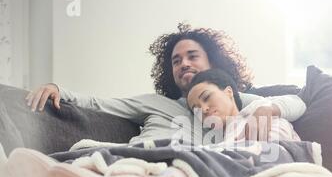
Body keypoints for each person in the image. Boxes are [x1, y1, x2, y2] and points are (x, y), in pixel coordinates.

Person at [25, 23, 305, 143]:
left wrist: (268, 109)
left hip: (172, 171)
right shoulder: (156, 103)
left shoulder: (239, 103)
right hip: (136, 155)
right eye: (176, 60)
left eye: (192, 56)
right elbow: (101, 104)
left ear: (213, 63)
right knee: (84, 154)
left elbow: (298, 100)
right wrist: (59, 90)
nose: (184, 63)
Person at [186, 68, 302, 143]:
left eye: (206, 97)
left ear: (228, 92)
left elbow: (299, 103)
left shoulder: (257, 109)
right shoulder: (213, 142)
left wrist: (269, 109)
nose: (204, 109)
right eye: (197, 109)